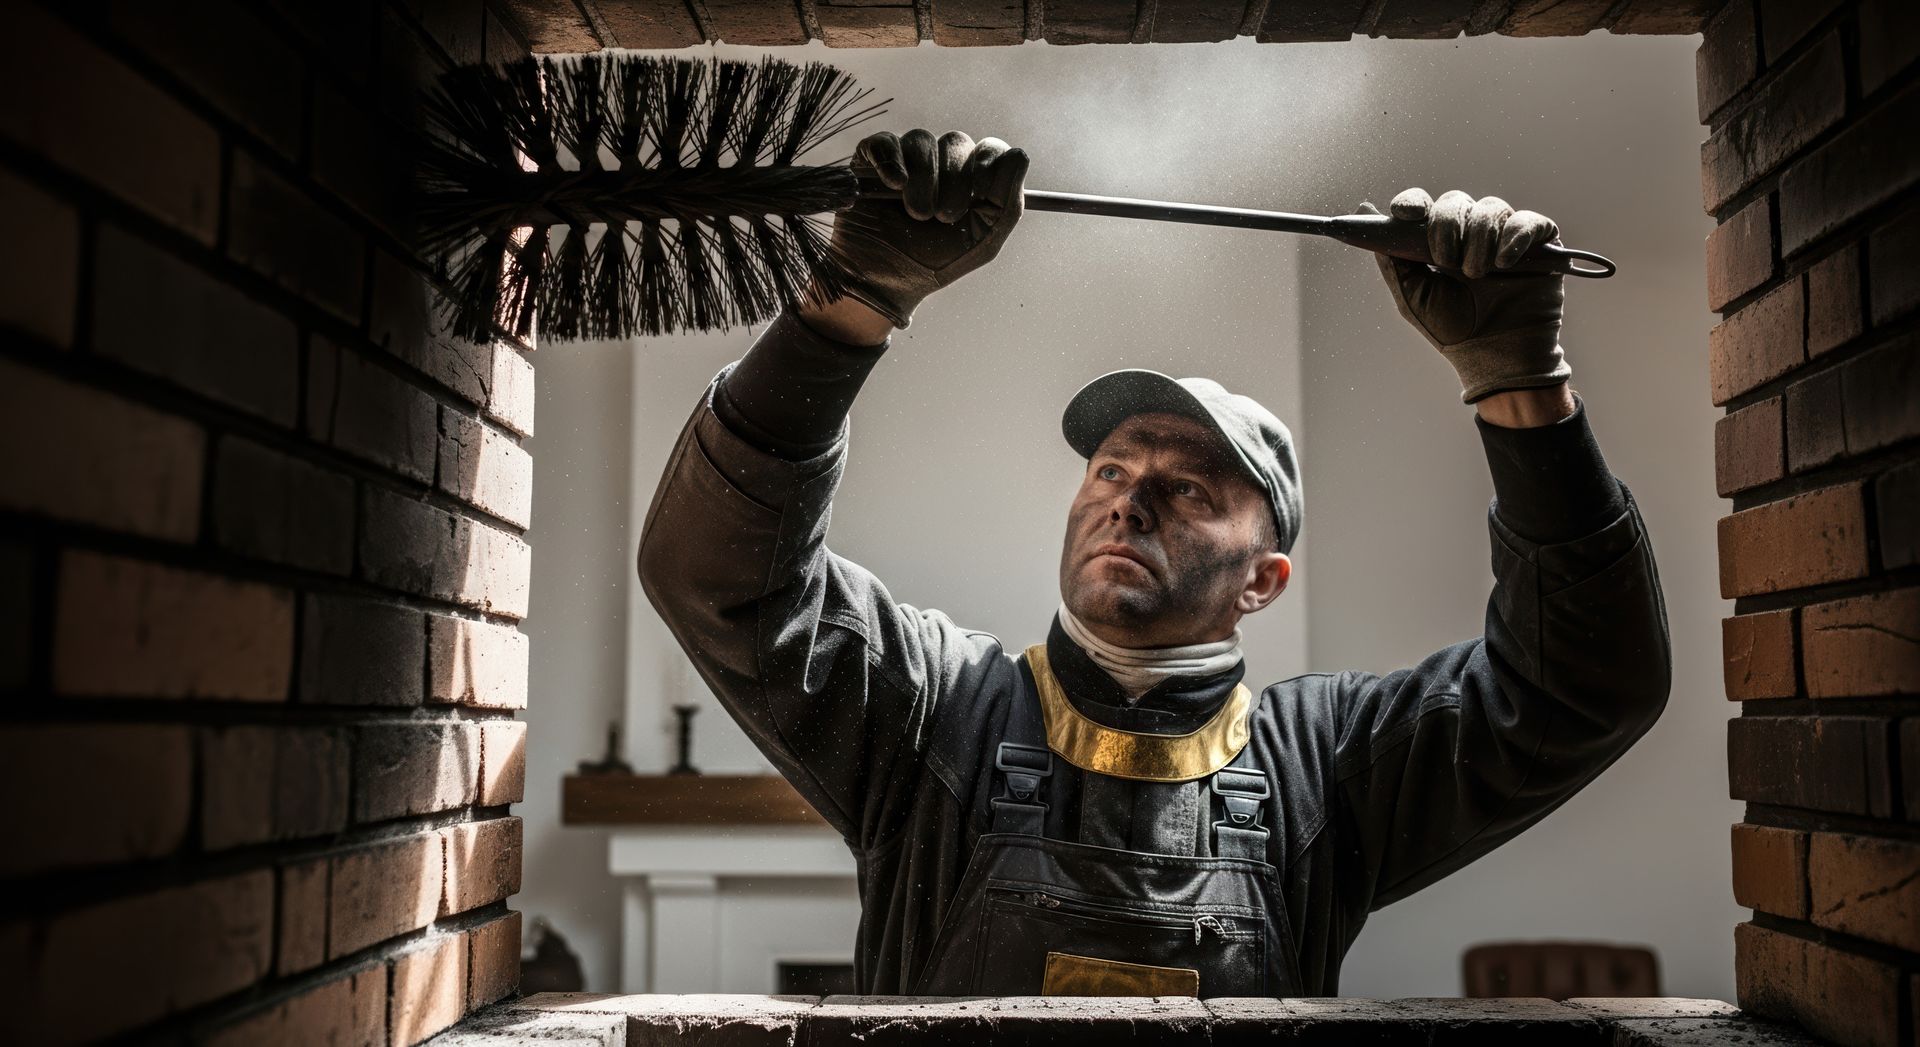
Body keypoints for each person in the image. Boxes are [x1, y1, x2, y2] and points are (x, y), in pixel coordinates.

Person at [637, 129, 1670, 997]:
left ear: (1262, 580)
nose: (1127, 496)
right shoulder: (933, 712)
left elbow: (1582, 684)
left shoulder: (1330, 770)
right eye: (1110, 469)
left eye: (1185, 488)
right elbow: (716, 576)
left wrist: (1521, 383)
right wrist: (845, 304)